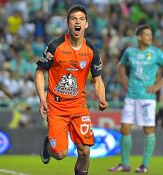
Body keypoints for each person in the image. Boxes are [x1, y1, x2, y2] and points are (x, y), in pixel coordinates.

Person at [34, 4, 108, 175]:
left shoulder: (91, 51)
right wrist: (42, 99)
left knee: (85, 151)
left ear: (87, 24)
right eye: (74, 18)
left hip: (78, 105)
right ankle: (48, 144)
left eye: (81, 19)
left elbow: (97, 80)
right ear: (68, 23)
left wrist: (101, 98)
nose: (78, 22)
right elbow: (39, 72)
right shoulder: (55, 46)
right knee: (60, 154)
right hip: (56, 106)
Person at [109, 24, 163, 173]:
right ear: (139, 37)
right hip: (131, 96)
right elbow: (121, 66)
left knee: (148, 129)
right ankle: (125, 164)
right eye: (147, 34)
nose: (150, 37)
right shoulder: (130, 52)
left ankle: (144, 165)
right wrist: (124, 81)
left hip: (147, 98)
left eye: (151, 34)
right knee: (125, 128)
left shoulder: (156, 53)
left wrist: (158, 86)